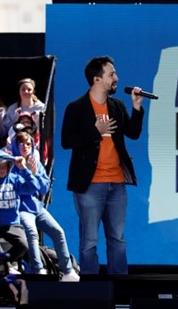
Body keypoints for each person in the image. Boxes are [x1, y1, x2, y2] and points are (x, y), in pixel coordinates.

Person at [61, 56, 144, 275]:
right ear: (97, 79)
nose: (116, 78)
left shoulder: (116, 105)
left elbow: (133, 133)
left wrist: (136, 108)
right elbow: (66, 141)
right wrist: (95, 131)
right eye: (111, 74)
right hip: (90, 184)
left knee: (117, 239)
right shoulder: (76, 108)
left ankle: (119, 291)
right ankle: (91, 292)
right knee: (89, 241)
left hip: (117, 183)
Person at [11, 131, 79, 281]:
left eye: (28, 143)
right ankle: (39, 269)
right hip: (22, 208)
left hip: (37, 207)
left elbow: (43, 189)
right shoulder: (11, 164)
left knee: (58, 232)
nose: (25, 147)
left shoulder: (35, 163)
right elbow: (22, 189)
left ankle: (68, 271)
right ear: (15, 146)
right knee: (31, 231)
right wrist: (31, 177)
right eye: (21, 143)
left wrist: (34, 174)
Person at [0, 136, 40, 272]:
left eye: (5, 166)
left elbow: (34, 187)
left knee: (23, 244)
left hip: (12, 224)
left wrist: (24, 168)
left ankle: (6, 265)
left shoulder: (15, 179)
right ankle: (6, 268)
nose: (2, 169)